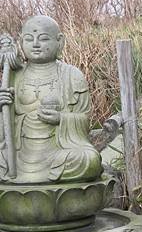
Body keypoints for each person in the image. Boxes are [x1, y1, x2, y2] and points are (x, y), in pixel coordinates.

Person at [0, 15, 102, 184]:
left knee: (89, 160)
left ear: (59, 41)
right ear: (20, 42)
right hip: (19, 154)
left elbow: (84, 119)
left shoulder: (72, 75)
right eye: (29, 39)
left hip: (58, 153)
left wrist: (61, 119)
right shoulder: (14, 76)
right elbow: (6, 130)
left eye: (44, 39)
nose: (36, 44)